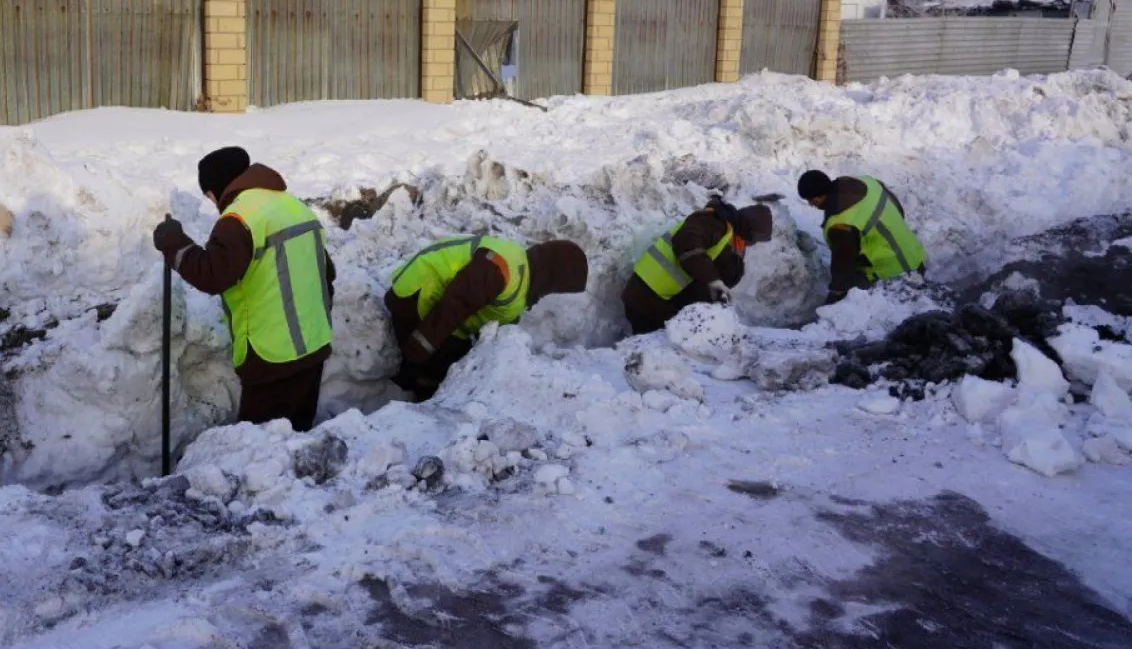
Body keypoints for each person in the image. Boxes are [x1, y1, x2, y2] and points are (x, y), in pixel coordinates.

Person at [154, 147, 335, 432]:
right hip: (313, 345)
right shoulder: (294, 206)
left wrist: (174, 243)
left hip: (271, 356)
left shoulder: (239, 218)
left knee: (259, 450)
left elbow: (213, 274)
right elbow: (326, 273)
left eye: (209, 196)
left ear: (216, 189)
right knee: (297, 438)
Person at [385, 235, 588, 401]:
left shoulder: (524, 280)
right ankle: (406, 398)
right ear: (551, 278)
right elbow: (456, 304)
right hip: (416, 296)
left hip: (439, 310)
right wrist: (417, 353)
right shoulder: (503, 266)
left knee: (461, 361)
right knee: (438, 370)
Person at [622, 200, 774, 334]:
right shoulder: (712, 222)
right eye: (752, 240)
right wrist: (713, 280)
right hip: (645, 296)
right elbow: (687, 243)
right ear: (746, 231)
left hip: (663, 302)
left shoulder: (729, 245)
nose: (750, 245)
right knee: (650, 357)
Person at [798, 170, 926, 303]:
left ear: (821, 195)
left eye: (812, 200)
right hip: (914, 255)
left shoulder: (841, 225)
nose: (811, 204)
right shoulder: (867, 182)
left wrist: (835, 295)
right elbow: (897, 207)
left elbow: (842, 265)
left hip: (897, 275)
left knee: (851, 298)